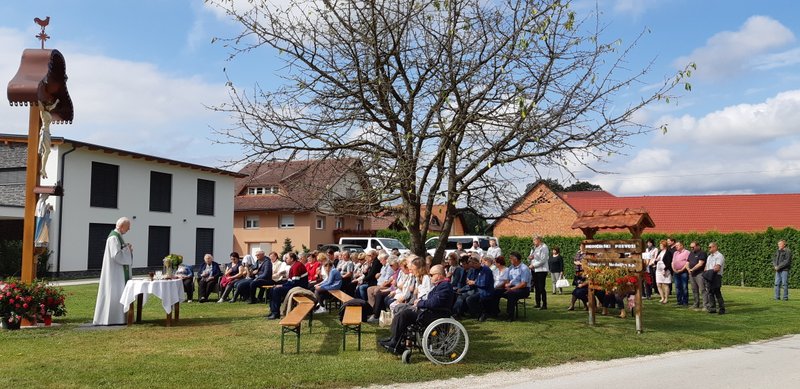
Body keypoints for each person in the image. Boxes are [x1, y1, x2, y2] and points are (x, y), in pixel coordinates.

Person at [378, 264, 453, 354]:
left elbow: (434, 303)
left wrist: (420, 303)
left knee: (404, 314)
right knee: (402, 313)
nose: (430, 277)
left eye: (432, 275)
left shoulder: (445, 286)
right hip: (431, 312)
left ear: (439, 275)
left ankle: (395, 342)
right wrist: (420, 301)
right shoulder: (440, 285)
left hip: (435, 315)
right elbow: (430, 300)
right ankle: (395, 340)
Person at [93, 217, 134, 325]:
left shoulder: (118, 237)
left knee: (117, 293)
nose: (129, 229)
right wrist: (127, 249)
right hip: (115, 273)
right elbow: (116, 256)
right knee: (114, 293)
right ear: (121, 226)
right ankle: (112, 319)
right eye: (128, 227)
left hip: (118, 272)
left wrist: (126, 248)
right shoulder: (113, 238)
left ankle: (120, 318)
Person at [267, 252, 309, 319]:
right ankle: (272, 311)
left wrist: (282, 286)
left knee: (276, 290)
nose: (285, 260)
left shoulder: (297, 266)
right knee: (272, 288)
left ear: (292, 259)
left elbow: (295, 282)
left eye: (287, 258)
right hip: (294, 285)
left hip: (299, 288)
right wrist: (282, 285)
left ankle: (276, 313)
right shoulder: (294, 266)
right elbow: (290, 281)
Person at [503, 252, 532, 321]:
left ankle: (510, 316)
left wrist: (512, 289)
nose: (509, 260)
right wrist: (507, 284)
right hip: (512, 286)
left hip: (523, 289)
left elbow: (523, 284)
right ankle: (493, 312)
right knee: (496, 291)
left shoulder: (524, 269)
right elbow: (507, 279)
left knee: (511, 294)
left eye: (511, 258)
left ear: (515, 259)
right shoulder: (511, 267)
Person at [467, 256, 495, 321]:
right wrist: (469, 281)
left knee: (470, 299)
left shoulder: (486, 270)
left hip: (486, 291)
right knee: (465, 296)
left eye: (473, 266)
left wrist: (474, 282)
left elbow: (484, 283)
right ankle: (479, 314)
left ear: (476, 263)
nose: (472, 268)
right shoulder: (475, 270)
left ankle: (482, 313)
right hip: (477, 290)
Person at [704, 242, 726, 314]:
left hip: (716, 276)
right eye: (708, 247)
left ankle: (722, 309)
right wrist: (707, 272)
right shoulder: (709, 256)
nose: (709, 248)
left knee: (717, 292)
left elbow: (717, 268)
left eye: (710, 247)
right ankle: (712, 308)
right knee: (710, 292)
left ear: (715, 247)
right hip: (709, 275)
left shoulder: (719, 256)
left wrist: (708, 271)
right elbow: (706, 267)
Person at [528, 236, 549, 310]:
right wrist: (530, 258)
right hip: (534, 270)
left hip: (541, 270)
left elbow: (543, 260)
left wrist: (533, 265)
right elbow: (531, 257)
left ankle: (544, 304)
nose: (533, 241)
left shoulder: (544, 248)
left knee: (541, 287)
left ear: (539, 240)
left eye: (534, 240)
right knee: (536, 287)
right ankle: (537, 303)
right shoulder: (534, 248)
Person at [687, 241, 708, 310]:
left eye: (693, 247)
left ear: (698, 246)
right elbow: (687, 262)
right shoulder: (691, 253)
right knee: (694, 290)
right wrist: (688, 269)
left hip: (699, 273)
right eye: (691, 247)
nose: (692, 249)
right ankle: (696, 304)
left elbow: (700, 263)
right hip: (692, 274)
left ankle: (705, 305)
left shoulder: (702, 253)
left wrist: (692, 269)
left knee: (702, 289)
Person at [671, 241, 690, 306]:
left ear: (682, 246)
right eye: (676, 245)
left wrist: (681, 269)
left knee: (684, 287)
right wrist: (674, 269)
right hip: (676, 272)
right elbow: (673, 262)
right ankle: (679, 301)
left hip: (683, 272)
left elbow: (687, 262)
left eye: (677, 245)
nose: (676, 246)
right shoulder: (675, 253)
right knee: (677, 287)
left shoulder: (687, 252)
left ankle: (685, 302)